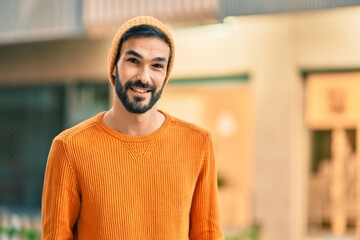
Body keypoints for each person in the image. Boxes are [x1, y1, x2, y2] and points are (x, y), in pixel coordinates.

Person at [41, 15, 224, 240]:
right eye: (133, 61)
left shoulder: (198, 143)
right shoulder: (69, 147)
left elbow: (208, 235)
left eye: (157, 65)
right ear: (114, 67)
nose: (144, 77)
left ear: (166, 75)